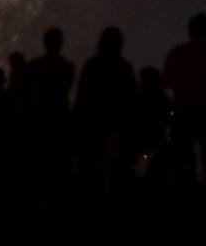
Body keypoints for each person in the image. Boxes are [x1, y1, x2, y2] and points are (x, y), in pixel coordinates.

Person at [162, 13, 206, 187]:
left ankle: (185, 202)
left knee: (183, 164)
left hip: (183, 115)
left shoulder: (178, 53)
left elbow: (166, 81)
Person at [74, 26, 137, 194]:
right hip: (115, 126)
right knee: (112, 171)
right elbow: (131, 100)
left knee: (93, 167)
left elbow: (82, 95)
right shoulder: (124, 68)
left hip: (94, 124)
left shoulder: (92, 65)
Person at [23, 27, 76, 192]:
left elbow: (26, 93)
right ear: (60, 43)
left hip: (36, 120)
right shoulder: (67, 67)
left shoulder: (32, 66)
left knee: (36, 167)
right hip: (58, 121)